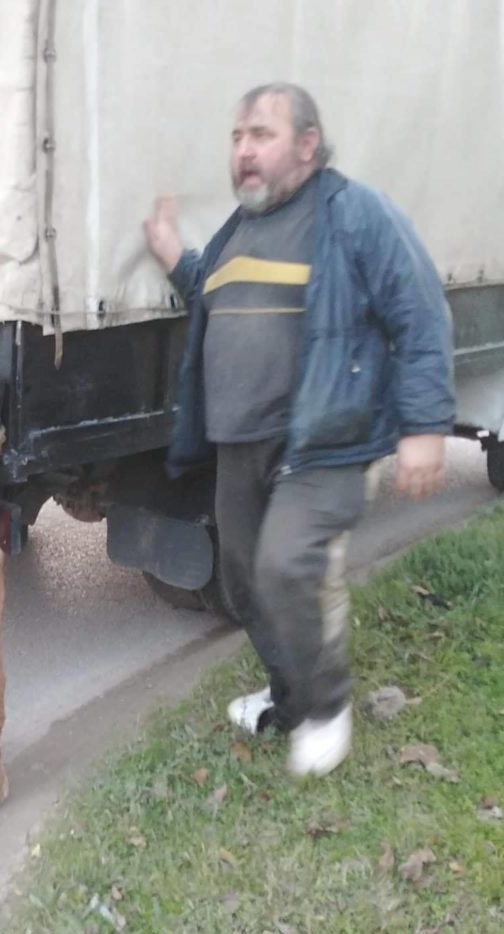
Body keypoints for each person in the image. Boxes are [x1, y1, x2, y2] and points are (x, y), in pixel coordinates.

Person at [144, 82, 454, 778]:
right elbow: (215, 295)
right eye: (237, 137)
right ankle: (291, 695)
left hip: (321, 440)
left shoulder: (351, 213)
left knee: (287, 565)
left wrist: (426, 426)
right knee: (244, 581)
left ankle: (328, 705)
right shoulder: (239, 227)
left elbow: (419, 311)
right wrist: (173, 255)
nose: (244, 150)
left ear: (308, 145)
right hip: (238, 443)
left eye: (261, 135)